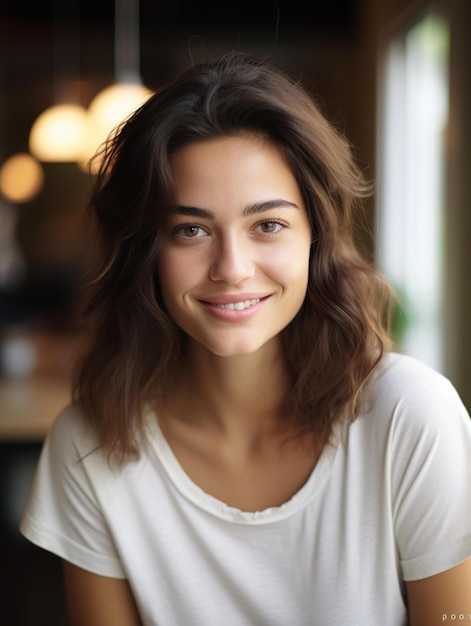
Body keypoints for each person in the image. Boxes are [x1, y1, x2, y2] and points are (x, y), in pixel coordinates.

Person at [21, 52, 471, 626]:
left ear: (316, 235)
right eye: (191, 230)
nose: (231, 268)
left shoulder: (411, 418)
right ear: (147, 253)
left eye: (268, 225)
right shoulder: (90, 445)